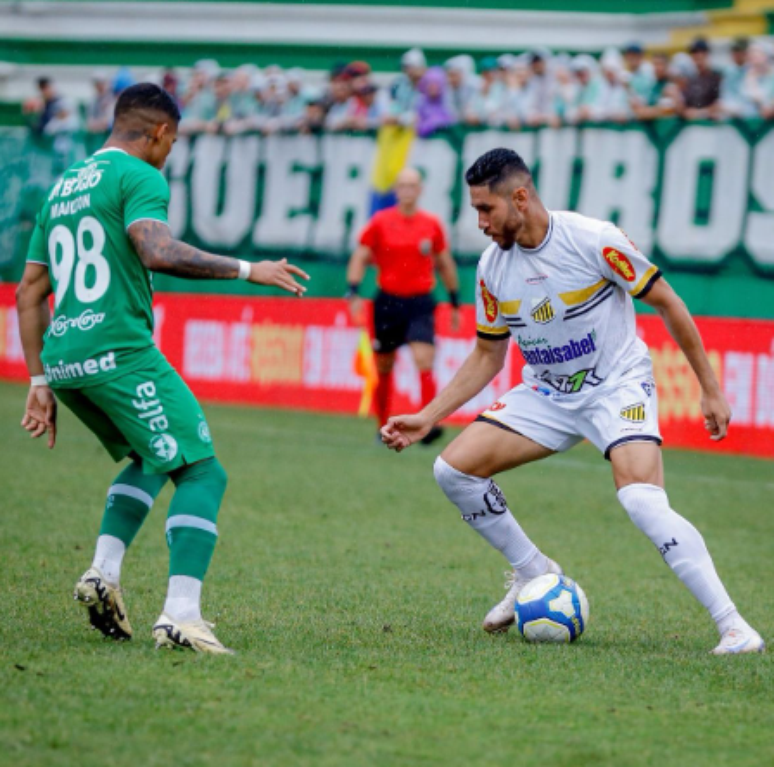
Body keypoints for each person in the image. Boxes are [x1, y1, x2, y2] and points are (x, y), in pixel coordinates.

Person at [381, 148, 764, 656]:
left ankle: (734, 626)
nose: (479, 222)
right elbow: (487, 357)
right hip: (547, 394)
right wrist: (426, 416)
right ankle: (532, 571)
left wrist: (710, 387)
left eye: (485, 209)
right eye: (474, 210)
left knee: (641, 499)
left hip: (617, 386)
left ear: (520, 198)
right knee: (454, 471)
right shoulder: (493, 268)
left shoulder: (594, 240)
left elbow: (668, 302)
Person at [16, 83, 309, 654]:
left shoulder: (62, 189)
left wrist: (38, 382)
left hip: (64, 357)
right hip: (119, 351)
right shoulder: (140, 177)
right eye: (171, 141)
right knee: (203, 472)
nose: (169, 152)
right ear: (157, 132)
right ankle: (180, 614)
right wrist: (251, 269)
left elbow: (30, 291)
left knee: (153, 457)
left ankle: (102, 571)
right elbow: (157, 251)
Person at [346, 167, 460, 444]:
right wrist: (353, 291)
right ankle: (382, 424)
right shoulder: (380, 222)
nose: (408, 190)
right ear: (396, 190)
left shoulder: (431, 224)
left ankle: (427, 423)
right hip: (388, 302)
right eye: (403, 185)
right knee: (383, 365)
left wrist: (455, 300)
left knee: (424, 358)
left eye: (413, 185)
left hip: (420, 302)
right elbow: (360, 256)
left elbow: (444, 262)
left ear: (420, 190)